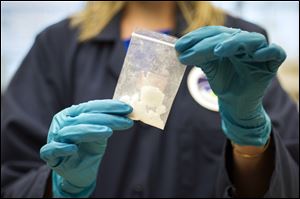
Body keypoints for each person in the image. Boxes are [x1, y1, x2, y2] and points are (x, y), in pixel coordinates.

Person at [1, 2, 299, 198]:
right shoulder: (57, 46)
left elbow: (288, 184)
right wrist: (60, 186)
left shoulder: (236, 46)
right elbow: (11, 177)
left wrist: (249, 138)